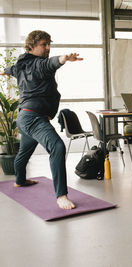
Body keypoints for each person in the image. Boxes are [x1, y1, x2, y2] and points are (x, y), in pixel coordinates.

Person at [0, 30, 83, 210]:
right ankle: (61, 196)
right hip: (33, 118)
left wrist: (4, 72)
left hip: (24, 118)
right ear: (31, 46)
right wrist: (63, 58)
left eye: (49, 44)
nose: (48, 48)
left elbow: (11, 70)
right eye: (43, 45)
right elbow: (49, 64)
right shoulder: (38, 65)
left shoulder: (20, 65)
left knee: (23, 153)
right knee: (58, 147)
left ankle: (20, 181)